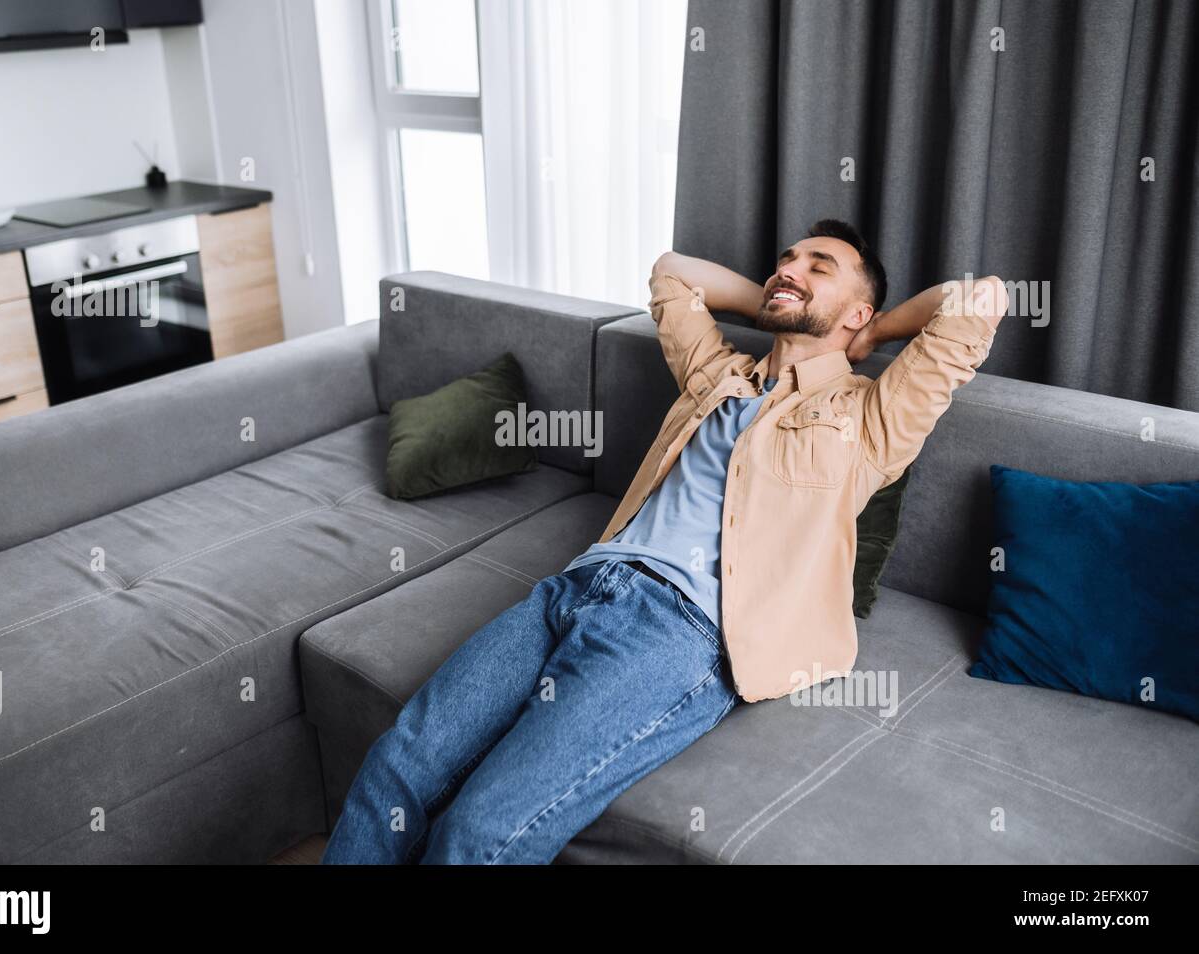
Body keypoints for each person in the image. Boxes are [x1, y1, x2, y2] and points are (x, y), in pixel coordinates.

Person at [322, 219, 1007, 864]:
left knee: (482, 829)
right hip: (576, 587)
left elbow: (980, 301)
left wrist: (874, 327)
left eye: (817, 266)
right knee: (396, 768)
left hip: (683, 632)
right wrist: (789, 296)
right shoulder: (719, 376)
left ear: (858, 313)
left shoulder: (871, 417)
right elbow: (671, 274)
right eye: (785, 261)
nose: (789, 269)